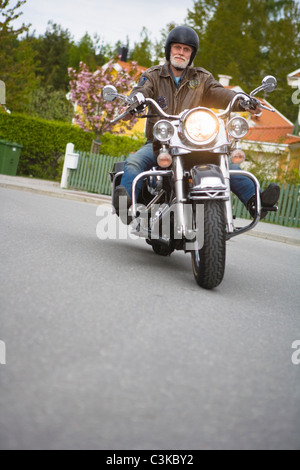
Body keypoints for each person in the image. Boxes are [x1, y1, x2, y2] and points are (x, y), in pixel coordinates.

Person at [115, 25, 280, 221]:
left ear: (192, 54)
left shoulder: (201, 78)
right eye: (177, 48)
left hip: (193, 143)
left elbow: (221, 93)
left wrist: (242, 101)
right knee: (134, 161)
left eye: (186, 49)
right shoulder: (153, 75)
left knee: (227, 165)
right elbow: (142, 89)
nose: (181, 53)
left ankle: (256, 202)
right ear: (169, 50)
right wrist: (137, 100)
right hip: (160, 143)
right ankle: (125, 205)